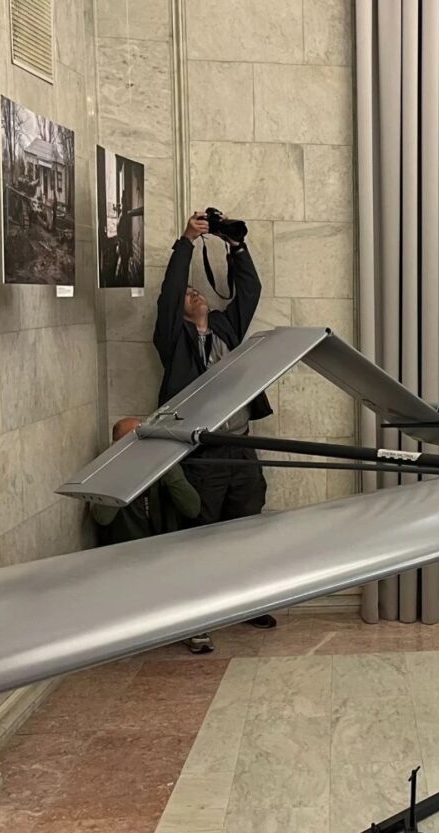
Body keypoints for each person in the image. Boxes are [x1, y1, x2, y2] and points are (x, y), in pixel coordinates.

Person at [154, 211, 276, 630]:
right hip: (201, 453)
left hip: (241, 447)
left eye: (198, 292)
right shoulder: (173, 340)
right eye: (189, 295)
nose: (196, 296)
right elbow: (169, 295)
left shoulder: (226, 326)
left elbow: (250, 290)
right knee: (200, 533)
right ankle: (198, 617)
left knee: (247, 527)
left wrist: (235, 244)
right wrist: (187, 241)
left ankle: (248, 603)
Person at [89, 418, 215, 653]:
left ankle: (190, 626)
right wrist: (122, 471)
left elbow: (192, 508)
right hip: (127, 554)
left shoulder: (165, 467)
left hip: (165, 549)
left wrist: (168, 472)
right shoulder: (106, 471)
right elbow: (102, 517)